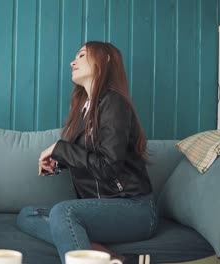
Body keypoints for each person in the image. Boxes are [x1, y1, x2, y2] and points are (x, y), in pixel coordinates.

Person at [17, 41, 157, 264]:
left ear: (105, 60)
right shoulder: (85, 109)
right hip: (101, 209)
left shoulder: (113, 102)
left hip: (133, 208)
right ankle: (112, 258)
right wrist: (59, 162)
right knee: (27, 215)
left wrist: (60, 148)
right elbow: (89, 156)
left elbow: (108, 167)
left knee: (63, 212)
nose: (73, 61)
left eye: (82, 55)